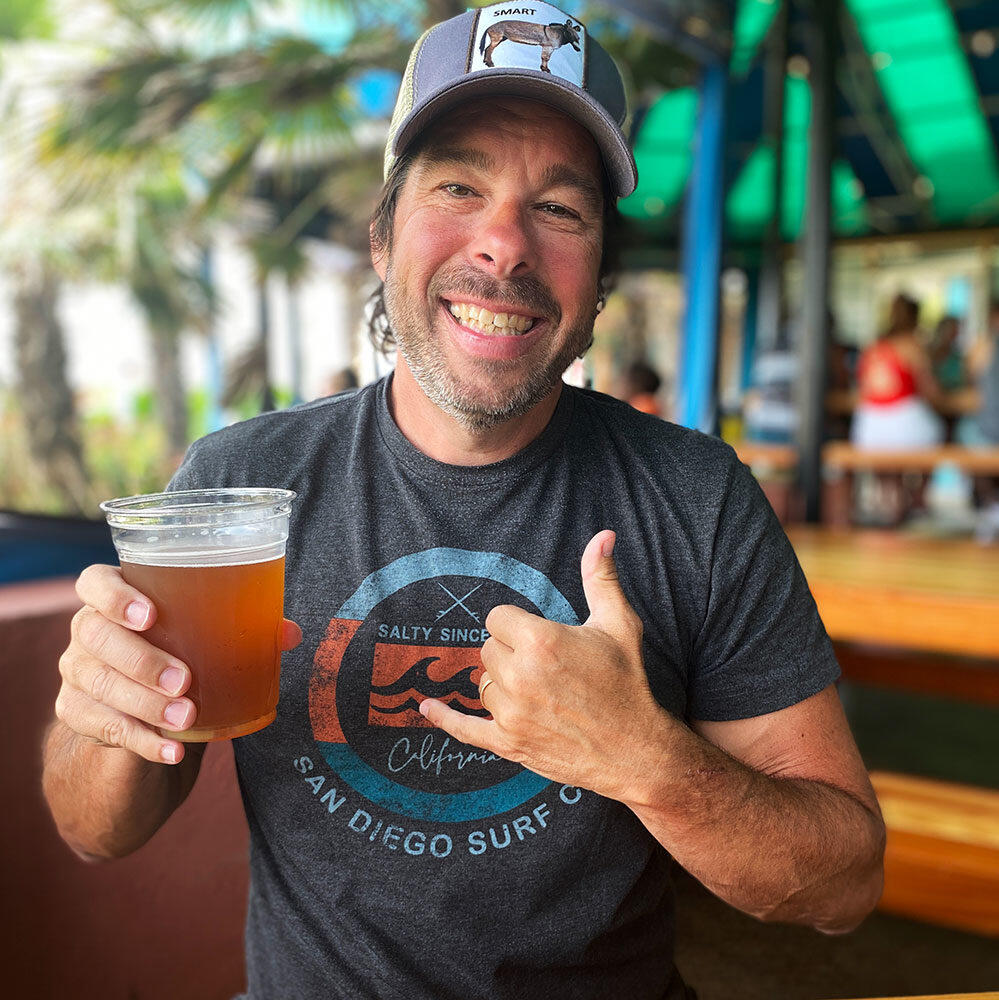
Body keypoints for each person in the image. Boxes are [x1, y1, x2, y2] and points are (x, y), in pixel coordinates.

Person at [42, 4, 885, 999]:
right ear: (381, 236)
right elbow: (93, 832)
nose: (504, 245)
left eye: (559, 209)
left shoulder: (696, 497)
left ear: (600, 279)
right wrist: (106, 715)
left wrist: (645, 759)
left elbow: (844, 884)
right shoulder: (239, 481)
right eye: (457, 186)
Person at [850, 292, 946, 450]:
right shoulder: (912, 347)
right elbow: (933, 393)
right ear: (915, 318)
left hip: (867, 428)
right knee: (940, 432)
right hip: (905, 428)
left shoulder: (872, 348)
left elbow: (861, 390)